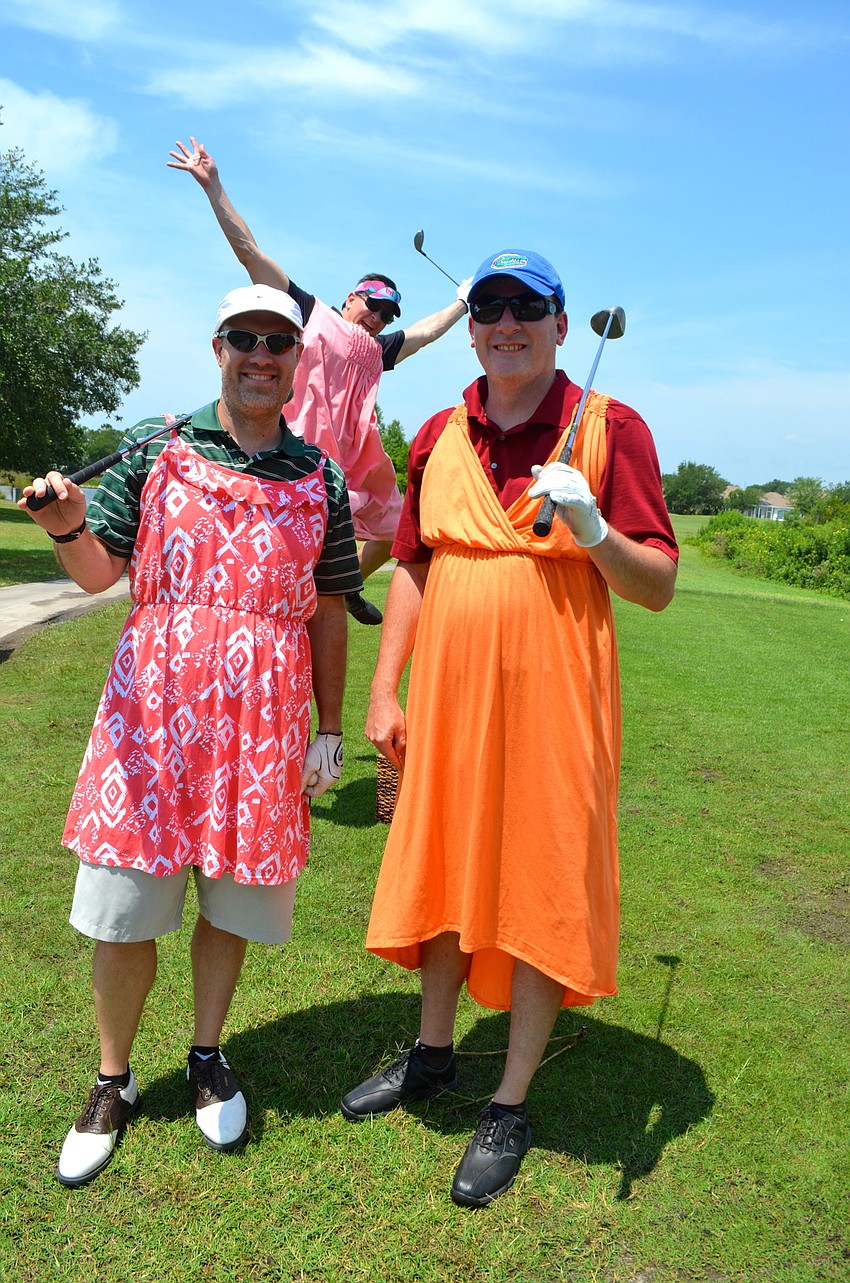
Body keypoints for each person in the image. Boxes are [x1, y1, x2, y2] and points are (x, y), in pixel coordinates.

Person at [339, 249, 679, 1208]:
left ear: (563, 325)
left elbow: (656, 587)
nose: (505, 323)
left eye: (528, 307)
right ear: (474, 324)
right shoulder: (441, 430)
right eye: (488, 308)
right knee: (446, 862)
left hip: (558, 701)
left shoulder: (613, 430)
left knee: (538, 872)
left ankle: (511, 1098)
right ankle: (432, 1053)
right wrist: (384, 689)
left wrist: (596, 531)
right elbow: (411, 566)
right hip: (447, 695)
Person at [20, 283, 362, 1187]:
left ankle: (207, 1055)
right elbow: (99, 571)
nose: (262, 355)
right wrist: (65, 527)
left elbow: (329, 610)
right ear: (218, 346)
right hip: (152, 718)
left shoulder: (319, 476)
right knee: (124, 908)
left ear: (298, 360)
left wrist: (331, 727)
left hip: (264, 726)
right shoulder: (158, 446)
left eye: (278, 342)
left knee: (233, 902)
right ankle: (112, 1078)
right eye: (245, 338)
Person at [168, 137, 471, 625]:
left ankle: (346, 587)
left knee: (395, 523)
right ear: (351, 298)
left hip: (346, 464)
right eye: (372, 306)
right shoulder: (310, 314)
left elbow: (425, 333)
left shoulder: (377, 350)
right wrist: (214, 188)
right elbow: (250, 253)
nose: (377, 317)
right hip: (291, 448)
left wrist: (463, 303)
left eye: (387, 313)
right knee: (270, 542)